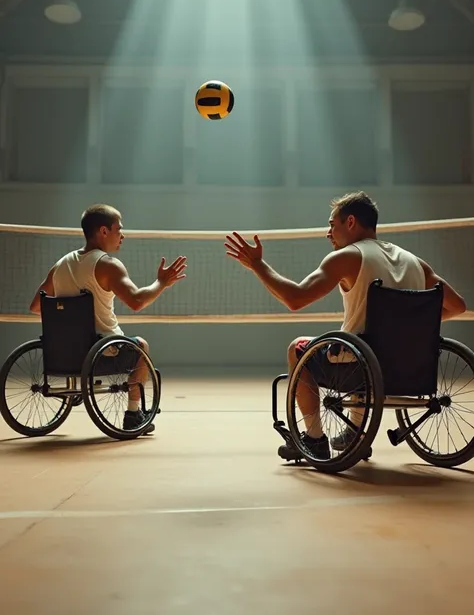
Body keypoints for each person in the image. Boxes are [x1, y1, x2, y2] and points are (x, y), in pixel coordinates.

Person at [225, 191, 467, 461]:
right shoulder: (415, 263)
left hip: (359, 369)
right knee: (362, 346)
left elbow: (295, 298)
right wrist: (412, 331)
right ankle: (356, 434)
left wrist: (258, 265)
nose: (328, 233)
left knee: (298, 349)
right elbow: (458, 306)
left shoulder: (347, 258)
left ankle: (314, 439)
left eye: (332, 224)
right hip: (412, 368)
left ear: (350, 222)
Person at [29, 204, 186, 434]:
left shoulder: (61, 265)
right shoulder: (108, 265)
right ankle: (133, 414)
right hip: (102, 353)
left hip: (63, 354)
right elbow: (136, 301)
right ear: (104, 231)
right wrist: (161, 283)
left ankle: (79, 388)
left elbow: (36, 306)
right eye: (118, 229)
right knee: (141, 346)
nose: (122, 235)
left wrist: (67, 318)